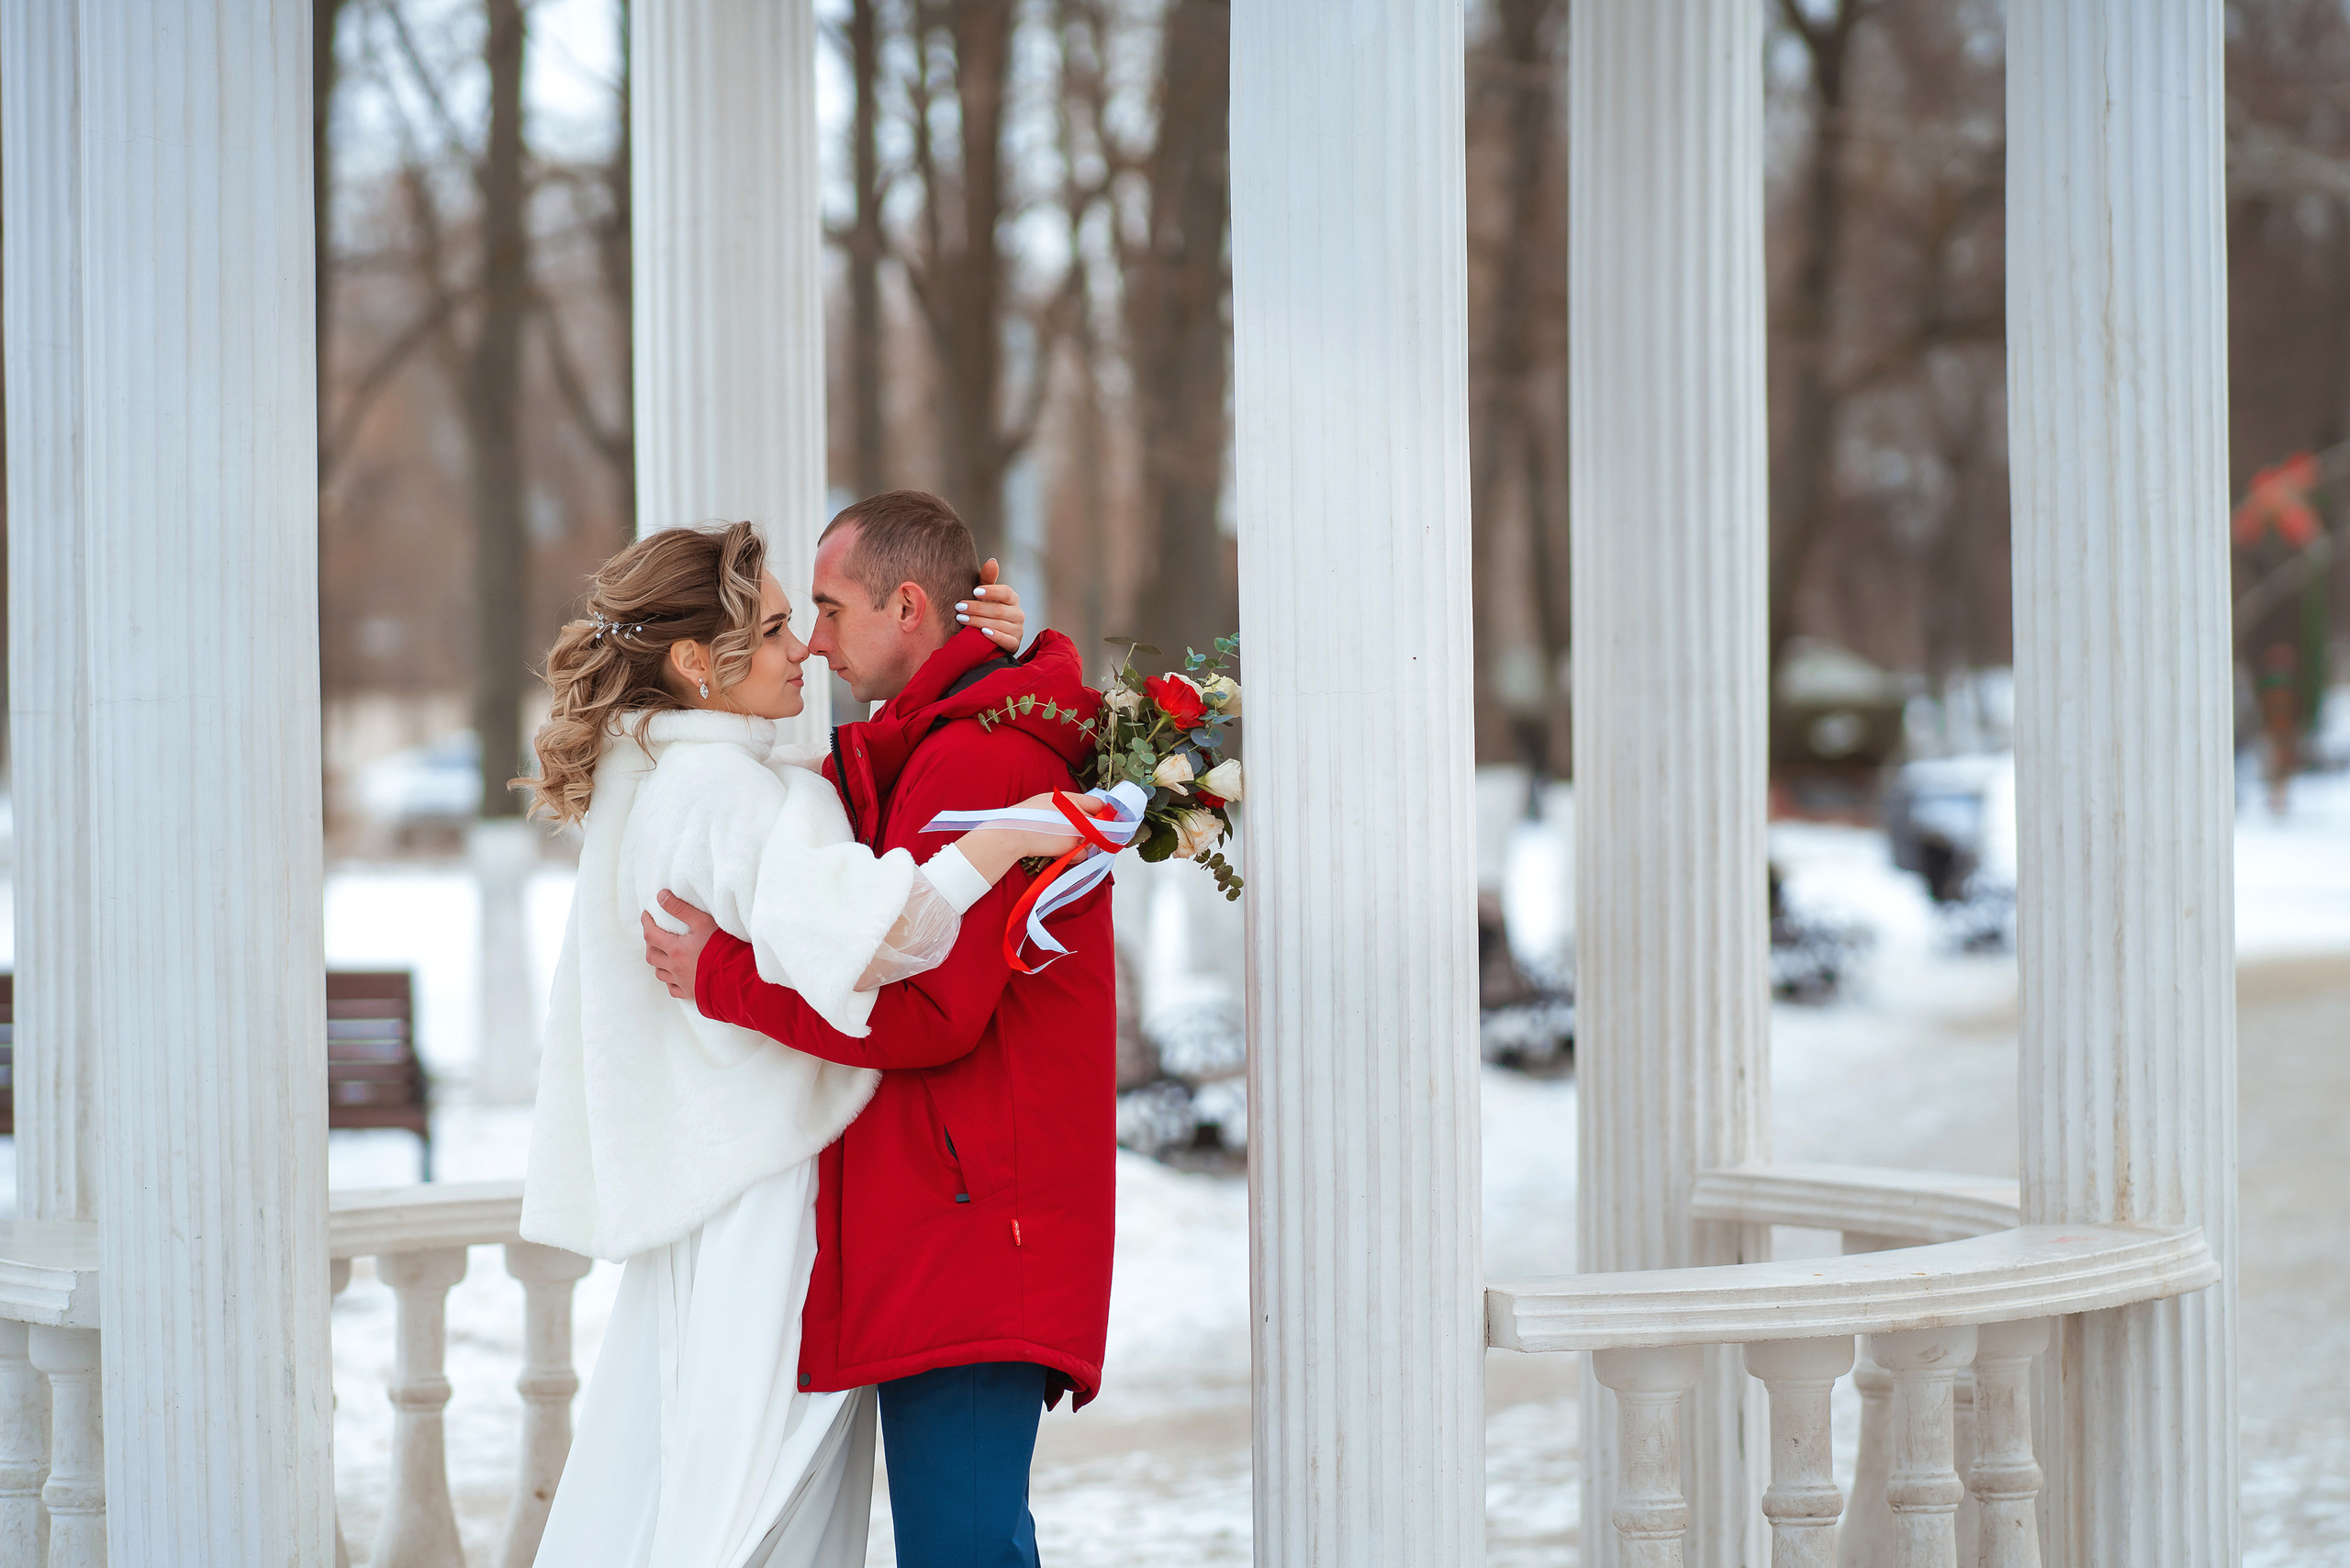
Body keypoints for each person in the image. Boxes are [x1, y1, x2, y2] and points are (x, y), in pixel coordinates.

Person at [513, 519, 1090, 1568]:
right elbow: (893, 936)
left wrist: (1004, 662)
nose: (806, 650)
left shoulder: (688, 774)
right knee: (749, 1506)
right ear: (696, 662)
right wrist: (1005, 836)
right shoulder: (721, 792)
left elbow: (864, 774)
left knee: (710, 1487)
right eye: (781, 625)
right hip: (767, 1204)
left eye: (812, 617)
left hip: (738, 1194)